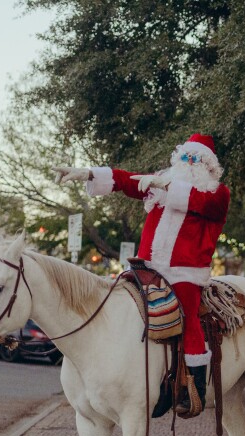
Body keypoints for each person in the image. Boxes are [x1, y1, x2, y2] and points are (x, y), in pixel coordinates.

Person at [53, 134, 229, 415]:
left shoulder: (216, 193)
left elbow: (199, 201)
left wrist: (166, 184)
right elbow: (126, 180)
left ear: (209, 166)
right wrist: (87, 172)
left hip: (184, 273)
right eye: (185, 157)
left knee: (187, 313)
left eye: (195, 159)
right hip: (146, 267)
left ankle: (191, 387)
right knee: (113, 303)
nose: (188, 163)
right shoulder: (161, 184)